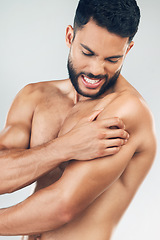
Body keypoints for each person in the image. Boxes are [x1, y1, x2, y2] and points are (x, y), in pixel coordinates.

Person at [0, 0, 156, 239]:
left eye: (112, 59)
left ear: (128, 50)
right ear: (69, 36)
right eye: (87, 52)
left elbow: (62, 206)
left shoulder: (126, 110)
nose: (96, 69)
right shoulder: (33, 96)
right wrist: (65, 147)